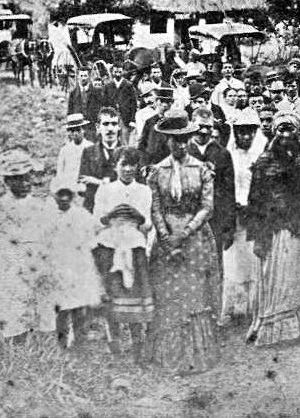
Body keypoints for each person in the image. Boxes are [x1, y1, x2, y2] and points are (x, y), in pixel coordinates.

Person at [245, 111, 300, 346]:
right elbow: (256, 198)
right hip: (278, 228)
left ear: (297, 131)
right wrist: (258, 234)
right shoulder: (265, 161)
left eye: (290, 130)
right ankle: (281, 329)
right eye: (281, 130)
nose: (285, 135)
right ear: (275, 133)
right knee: (282, 279)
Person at [147, 111, 221, 372]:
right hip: (167, 239)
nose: (180, 145)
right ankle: (170, 355)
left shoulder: (201, 169)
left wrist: (186, 232)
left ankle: (197, 356)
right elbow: (155, 207)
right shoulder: (158, 171)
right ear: (166, 141)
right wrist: (166, 237)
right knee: (170, 295)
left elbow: (207, 207)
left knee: (194, 293)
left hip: (195, 238)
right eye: (174, 140)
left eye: (184, 140)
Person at [0, 149, 56, 341]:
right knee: (10, 315)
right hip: (7, 269)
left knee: (41, 314)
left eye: (28, 177)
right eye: (18, 179)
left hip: (36, 266)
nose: (25, 183)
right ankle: (10, 349)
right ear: (7, 181)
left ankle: (39, 352)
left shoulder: (41, 206)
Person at [92, 148, 154, 359]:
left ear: (137, 167)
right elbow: (96, 222)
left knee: (135, 293)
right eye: (123, 164)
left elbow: (147, 226)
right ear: (115, 166)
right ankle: (114, 340)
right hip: (110, 245)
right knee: (113, 293)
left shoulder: (144, 190)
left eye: (132, 164)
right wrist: (109, 215)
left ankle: (137, 342)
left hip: (135, 245)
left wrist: (138, 216)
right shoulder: (105, 190)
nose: (128, 169)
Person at [221, 108, 267, 324]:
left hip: (255, 212)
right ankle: (235, 308)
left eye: (249, 132)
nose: (245, 136)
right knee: (234, 260)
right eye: (241, 132)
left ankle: (255, 306)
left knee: (253, 258)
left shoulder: (261, 153)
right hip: (235, 212)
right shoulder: (229, 154)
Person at [49, 177, 103, 348]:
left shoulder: (82, 215)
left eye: (68, 194)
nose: (64, 198)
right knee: (61, 306)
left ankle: (80, 341)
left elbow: (94, 235)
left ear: (73, 195)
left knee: (80, 304)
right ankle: (61, 343)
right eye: (60, 194)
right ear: (54, 196)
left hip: (79, 265)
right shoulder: (47, 216)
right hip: (57, 265)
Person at [188, 107, 236, 261]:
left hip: (215, 219)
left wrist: (229, 226)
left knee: (214, 264)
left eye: (208, 127)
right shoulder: (184, 151)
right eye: (199, 126)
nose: (203, 131)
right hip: (188, 218)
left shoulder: (223, 154)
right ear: (191, 124)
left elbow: (229, 192)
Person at [79, 107, 125, 213]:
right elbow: (82, 180)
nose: (110, 129)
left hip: (120, 210)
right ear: (98, 127)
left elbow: (130, 186)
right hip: (93, 208)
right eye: (105, 124)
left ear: (118, 127)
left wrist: (99, 182)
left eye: (114, 124)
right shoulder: (88, 152)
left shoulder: (127, 153)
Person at [56, 113, 93, 192]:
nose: (75, 133)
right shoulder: (65, 150)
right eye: (72, 131)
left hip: (86, 188)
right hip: (68, 189)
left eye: (78, 130)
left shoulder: (91, 147)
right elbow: (60, 172)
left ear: (83, 129)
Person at [139, 87, 175, 168]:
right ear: (157, 101)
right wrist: (144, 164)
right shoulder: (150, 121)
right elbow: (142, 144)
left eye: (169, 102)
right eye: (162, 101)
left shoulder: (175, 122)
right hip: (151, 162)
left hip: (168, 164)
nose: (165, 105)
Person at [103, 64, 138, 145]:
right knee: (111, 140)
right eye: (115, 71)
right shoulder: (108, 85)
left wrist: (132, 120)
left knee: (125, 140)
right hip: (112, 117)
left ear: (123, 72)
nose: (117, 73)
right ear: (112, 72)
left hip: (126, 118)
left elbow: (134, 103)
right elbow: (104, 103)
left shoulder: (129, 85)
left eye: (119, 71)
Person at [68, 68, 104, 140]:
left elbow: (101, 108)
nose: (83, 78)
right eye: (81, 76)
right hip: (77, 128)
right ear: (78, 76)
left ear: (89, 77)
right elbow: (70, 111)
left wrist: (99, 124)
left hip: (91, 126)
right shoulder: (73, 93)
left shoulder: (96, 92)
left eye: (85, 76)